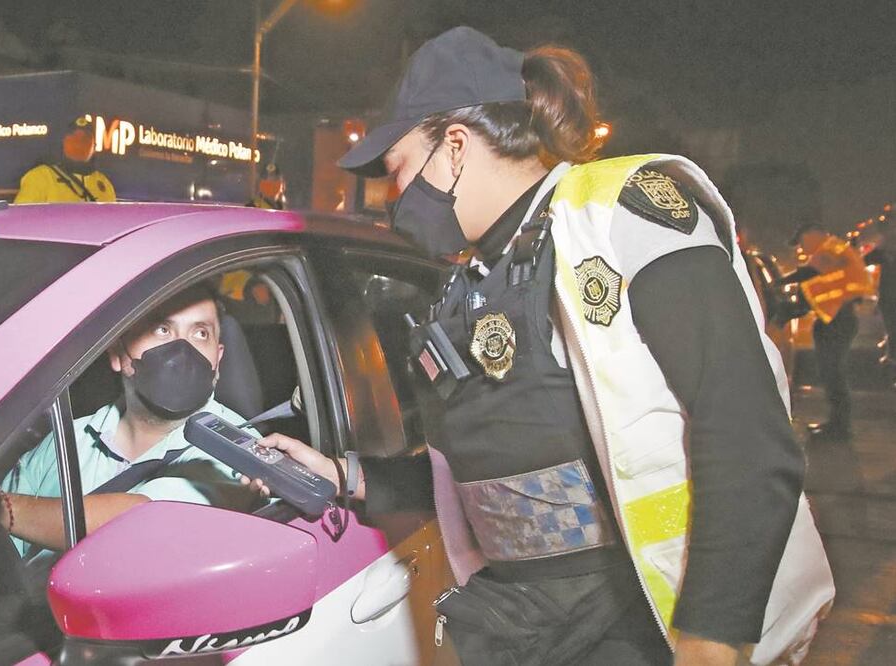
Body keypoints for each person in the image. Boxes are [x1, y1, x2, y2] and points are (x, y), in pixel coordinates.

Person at [250, 27, 833, 666]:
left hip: (642, 623)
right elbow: (491, 479)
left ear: (453, 147)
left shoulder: (621, 217)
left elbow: (747, 433)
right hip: (522, 624)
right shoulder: (475, 278)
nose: (394, 199)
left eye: (397, 171)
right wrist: (344, 474)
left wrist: (711, 640)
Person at [0, 286, 253, 563]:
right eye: (162, 329)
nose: (182, 349)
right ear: (118, 353)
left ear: (218, 358)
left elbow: (143, 520)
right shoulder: (68, 440)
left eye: (200, 333)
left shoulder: (238, 447)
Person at [782, 224, 869, 440]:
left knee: (833, 374)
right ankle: (837, 425)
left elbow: (808, 273)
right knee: (832, 373)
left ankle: (839, 428)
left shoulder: (829, 250)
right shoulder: (832, 249)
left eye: (802, 241)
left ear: (812, 234)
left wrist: (779, 282)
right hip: (836, 320)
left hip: (839, 322)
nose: (802, 247)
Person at [13, 115, 117, 203]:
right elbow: (20, 221)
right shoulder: (40, 177)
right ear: (63, 143)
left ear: (94, 147)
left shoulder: (104, 184)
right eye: (74, 139)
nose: (79, 144)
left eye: (85, 139)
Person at [863, 221, 895, 378]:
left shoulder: (885, 250)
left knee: (892, 331)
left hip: (889, 299)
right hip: (889, 299)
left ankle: (891, 360)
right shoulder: (884, 251)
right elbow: (865, 260)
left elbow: (865, 260)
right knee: (892, 331)